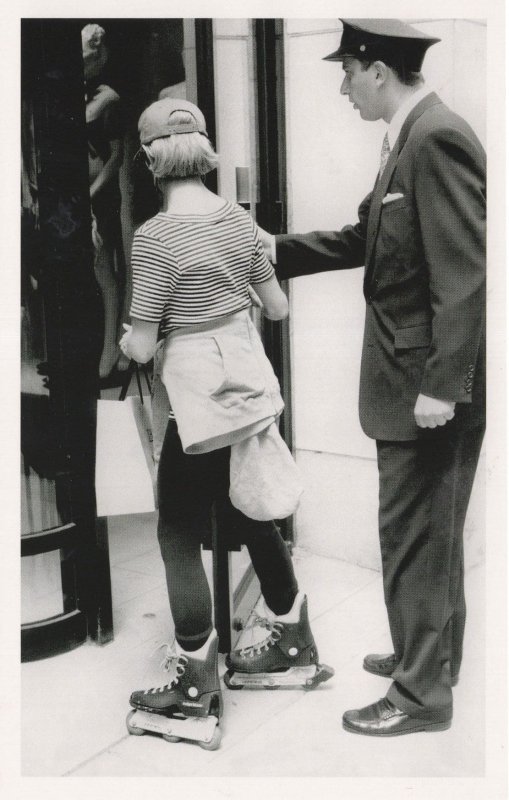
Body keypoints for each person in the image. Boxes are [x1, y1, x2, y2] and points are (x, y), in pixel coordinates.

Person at [258, 19, 486, 736]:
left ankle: (420, 699)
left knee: (412, 537)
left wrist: (441, 386)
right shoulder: (406, 141)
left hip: (424, 387)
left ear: (377, 70)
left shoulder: (435, 139)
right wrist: (275, 249)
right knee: (432, 533)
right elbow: (367, 239)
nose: (342, 87)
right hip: (418, 379)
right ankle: (430, 659)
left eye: (347, 72)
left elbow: (462, 274)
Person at [119, 98, 333, 747]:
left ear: (150, 157)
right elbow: (277, 306)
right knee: (247, 508)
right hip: (245, 391)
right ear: (204, 150)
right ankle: (292, 642)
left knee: (176, 527)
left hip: (193, 405)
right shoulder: (239, 222)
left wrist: (151, 333)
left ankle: (191, 688)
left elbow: (141, 345)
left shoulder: (153, 238)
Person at [82, 24, 127, 381]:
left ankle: (111, 349)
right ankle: (90, 347)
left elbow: (116, 156)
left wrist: (91, 193)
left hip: (99, 195)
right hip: (69, 197)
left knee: (104, 267)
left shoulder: (107, 98)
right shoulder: (66, 94)